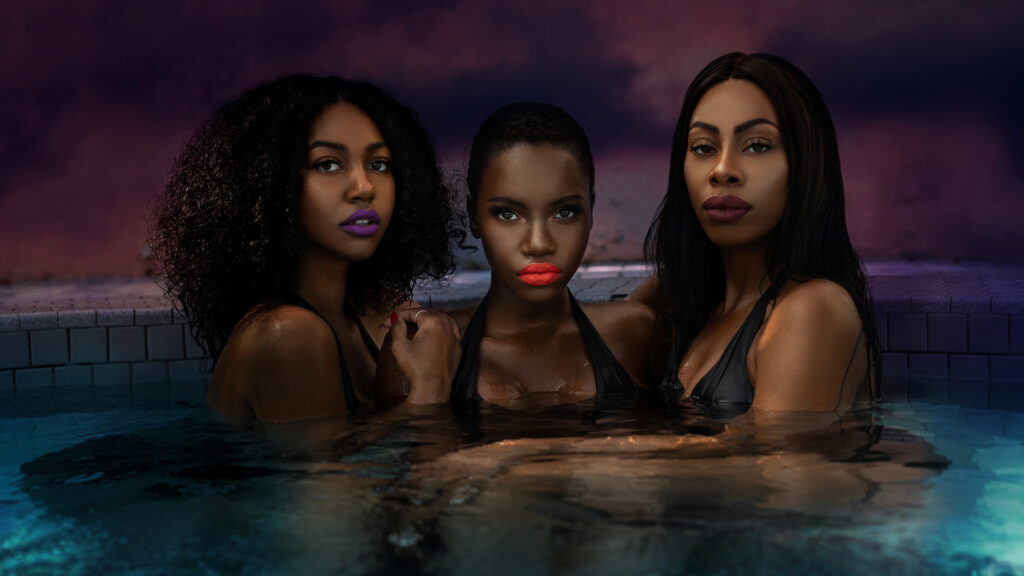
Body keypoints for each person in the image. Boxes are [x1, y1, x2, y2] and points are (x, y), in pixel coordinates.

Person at [151, 74, 462, 422]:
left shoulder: (375, 310)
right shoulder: (286, 336)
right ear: (271, 185)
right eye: (328, 164)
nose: (364, 187)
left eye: (379, 164)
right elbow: (328, 478)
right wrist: (429, 394)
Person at [631, 52, 878, 416]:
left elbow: (769, 464)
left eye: (758, 145)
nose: (722, 170)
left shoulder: (814, 310)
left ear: (806, 166)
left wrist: (557, 454)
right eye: (703, 147)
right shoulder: (680, 296)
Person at [440, 102, 663, 410]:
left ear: (591, 210)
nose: (539, 243)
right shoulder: (428, 350)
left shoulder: (636, 334)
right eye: (507, 214)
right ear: (473, 216)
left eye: (565, 212)